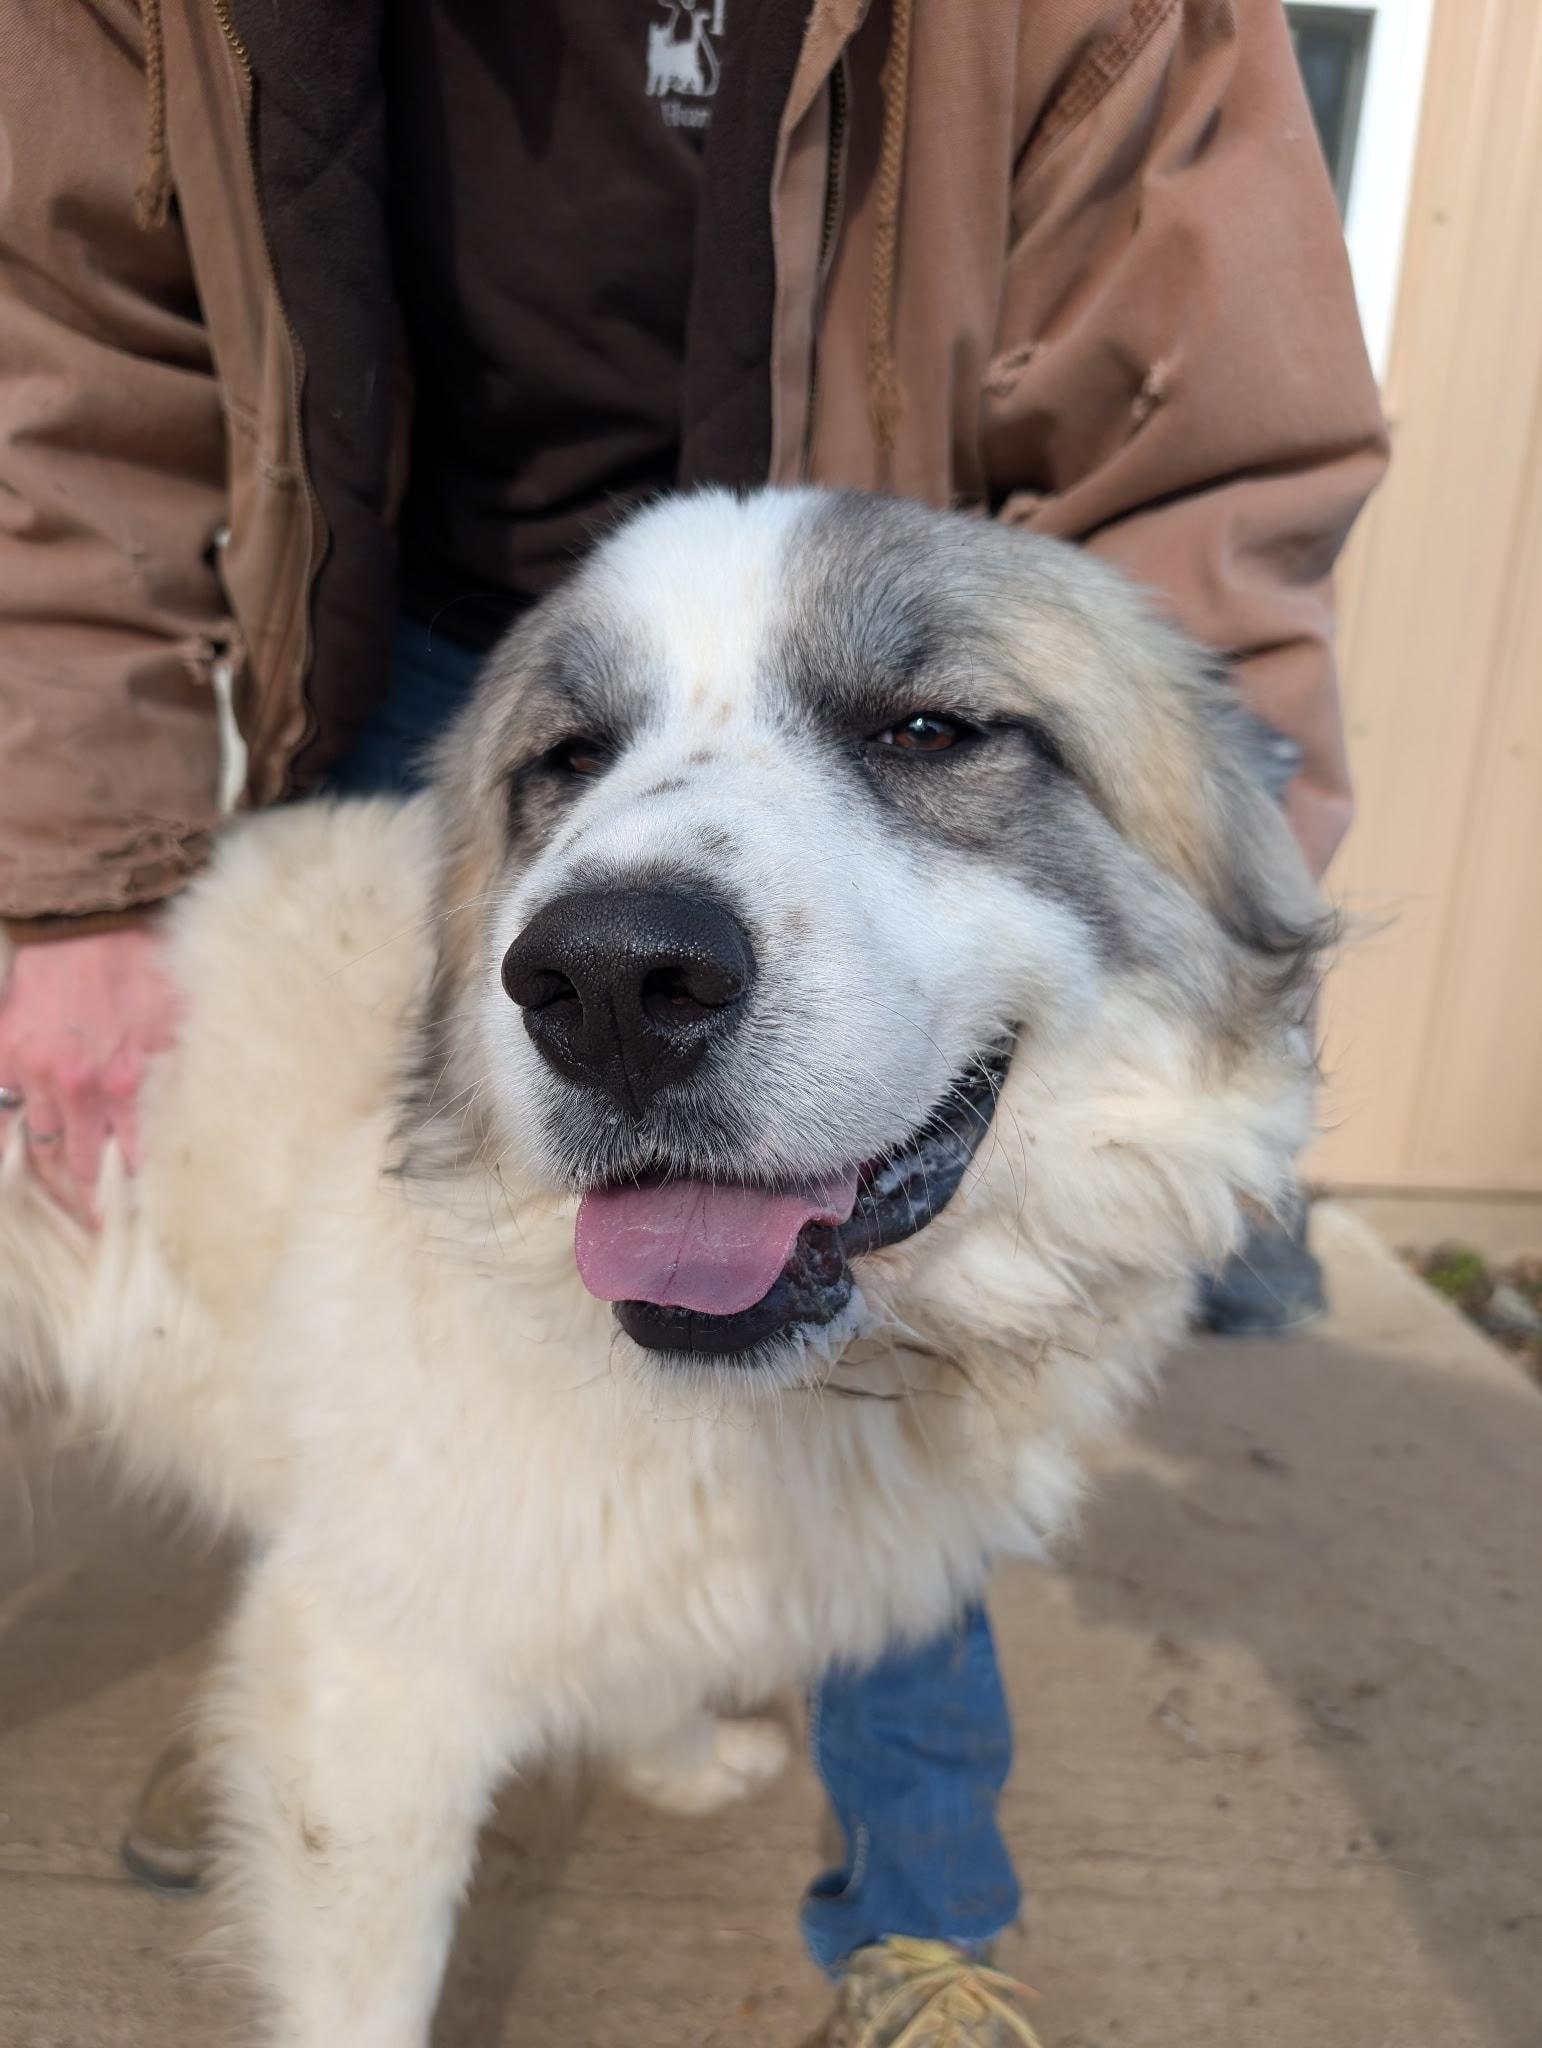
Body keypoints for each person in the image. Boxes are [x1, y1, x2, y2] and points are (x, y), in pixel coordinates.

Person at [0, 3, 1386, 2040]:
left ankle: (922, 1906)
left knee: (919, 1404)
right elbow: (70, 334)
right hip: (434, 632)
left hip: (880, 532)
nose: (602, 958)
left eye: (927, 736)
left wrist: (1236, 878)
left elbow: (1210, 440)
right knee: (441, 1481)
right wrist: (67, 879)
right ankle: (390, 1646)